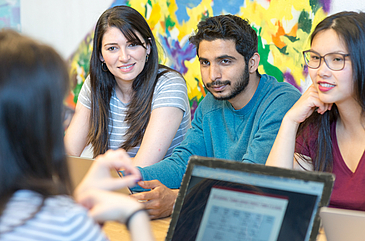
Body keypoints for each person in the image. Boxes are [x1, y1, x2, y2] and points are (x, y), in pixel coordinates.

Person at [130, 14, 301, 219]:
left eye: (225, 61)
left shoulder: (281, 101)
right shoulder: (210, 104)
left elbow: (249, 179)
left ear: (253, 63)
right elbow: (182, 164)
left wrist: (179, 200)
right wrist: (124, 180)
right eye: (205, 63)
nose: (213, 76)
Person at [0, 30, 153, 241]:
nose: (124, 56)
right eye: (57, 110)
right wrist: (135, 217)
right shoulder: (59, 221)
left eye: (132, 45)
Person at [64, 5, 191, 167]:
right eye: (112, 48)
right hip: (111, 186)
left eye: (132, 44)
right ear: (101, 55)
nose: (124, 57)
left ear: (148, 47)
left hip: (158, 189)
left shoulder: (169, 84)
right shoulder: (93, 85)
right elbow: (68, 155)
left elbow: (142, 168)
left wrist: (95, 173)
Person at [266, 11, 365, 211]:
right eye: (315, 58)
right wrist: (290, 121)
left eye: (337, 59)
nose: (321, 71)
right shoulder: (317, 128)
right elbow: (272, 199)